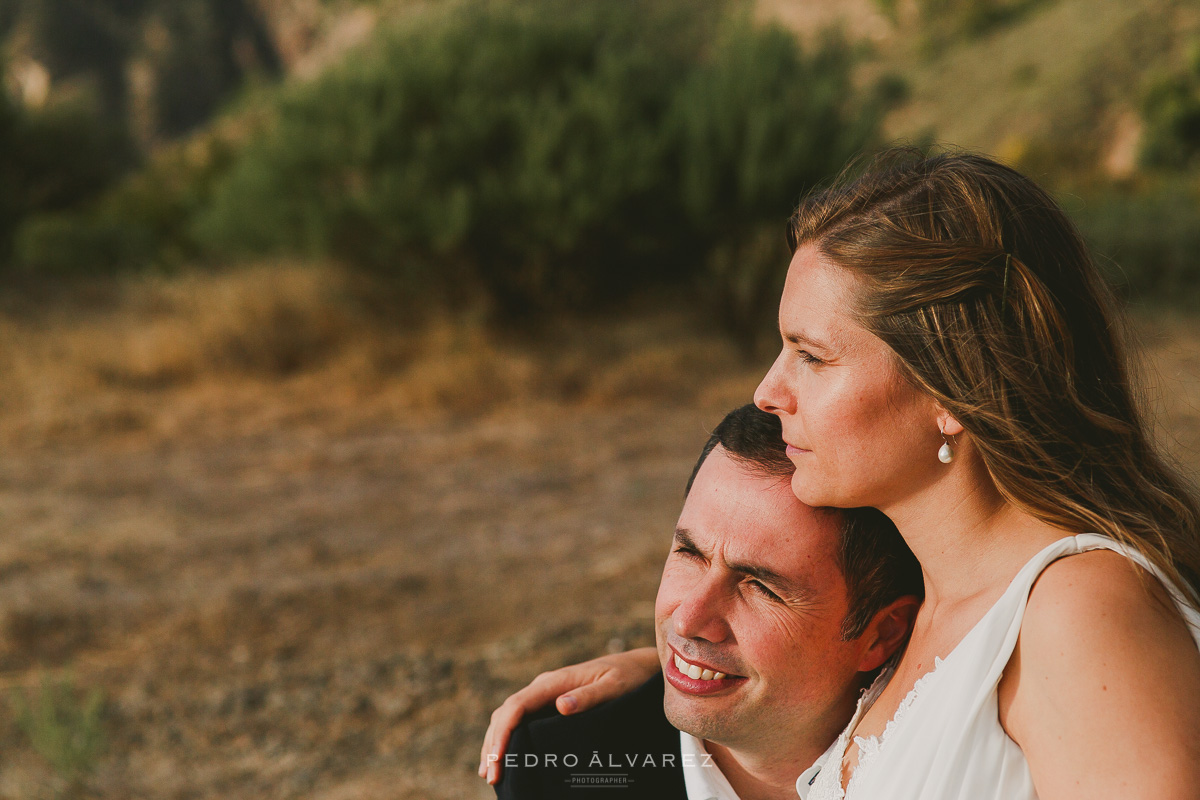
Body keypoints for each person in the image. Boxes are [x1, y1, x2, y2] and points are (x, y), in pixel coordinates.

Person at [482, 149, 1200, 799]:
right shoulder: (929, 614)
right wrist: (671, 672)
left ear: (950, 394)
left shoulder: (1079, 613)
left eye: (812, 356)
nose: (768, 392)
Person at [489, 404, 921, 800]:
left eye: (761, 588)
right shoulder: (553, 771)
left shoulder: (949, 762)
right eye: (689, 553)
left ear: (880, 634)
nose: (688, 618)